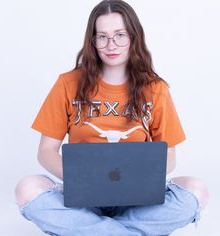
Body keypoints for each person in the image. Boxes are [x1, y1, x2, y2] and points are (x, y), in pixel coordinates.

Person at [14, 0, 209, 235]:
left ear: (133, 37)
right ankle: (130, 231)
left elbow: (169, 156)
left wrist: (134, 181)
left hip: (138, 199)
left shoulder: (155, 88)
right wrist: (85, 179)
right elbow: (46, 151)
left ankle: (87, 229)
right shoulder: (67, 83)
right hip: (83, 196)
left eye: (120, 35)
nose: (111, 45)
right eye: (102, 37)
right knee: (27, 189)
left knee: (197, 191)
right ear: (93, 41)